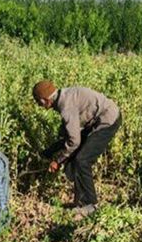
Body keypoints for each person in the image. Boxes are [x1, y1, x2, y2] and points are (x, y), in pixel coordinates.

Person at [32, 80, 121, 219]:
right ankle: (80, 202)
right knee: (73, 155)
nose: (39, 106)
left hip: (108, 120)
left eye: (38, 102)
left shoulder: (65, 106)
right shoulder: (64, 96)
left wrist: (58, 161)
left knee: (82, 160)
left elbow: (74, 141)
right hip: (97, 120)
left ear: (45, 100)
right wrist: (49, 153)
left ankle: (90, 205)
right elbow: (71, 135)